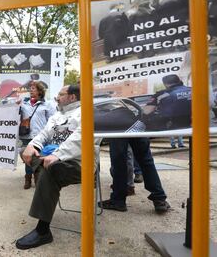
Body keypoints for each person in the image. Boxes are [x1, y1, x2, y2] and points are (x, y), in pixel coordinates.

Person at [15, 85, 86, 250]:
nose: (56, 98)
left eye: (60, 94)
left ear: (72, 97)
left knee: (50, 170)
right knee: (25, 152)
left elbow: (82, 137)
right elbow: (44, 133)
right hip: (53, 158)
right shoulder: (57, 115)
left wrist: (59, 154)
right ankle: (45, 177)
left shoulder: (86, 112)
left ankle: (43, 231)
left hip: (79, 163)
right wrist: (33, 145)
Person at [99, 137, 170, 213]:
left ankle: (118, 199)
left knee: (119, 161)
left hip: (118, 127)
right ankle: (159, 198)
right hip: (136, 126)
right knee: (145, 158)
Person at [18, 80, 55, 189]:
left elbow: (52, 120)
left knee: (38, 157)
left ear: (39, 91)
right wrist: (17, 106)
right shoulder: (24, 103)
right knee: (27, 157)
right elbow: (16, 115)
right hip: (26, 135)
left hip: (40, 137)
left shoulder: (47, 104)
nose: (31, 91)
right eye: (30, 89)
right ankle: (28, 178)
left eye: (33, 89)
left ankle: (38, 176)